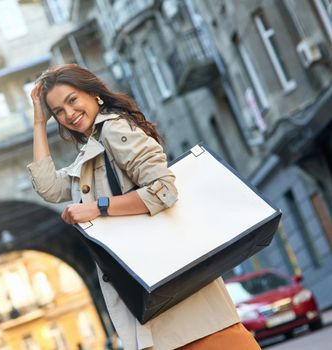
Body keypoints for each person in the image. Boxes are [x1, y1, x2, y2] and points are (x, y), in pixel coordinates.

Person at [27, 64, 260, 350]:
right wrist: (39, 122)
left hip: (180, 299)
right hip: (154, 300)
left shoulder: (115, 129)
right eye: (58, 111)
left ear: (93, 94)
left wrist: (97, 207)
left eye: (72, 100)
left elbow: (163, 190)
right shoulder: (91, 152)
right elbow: (48, 187)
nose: (68, 114)